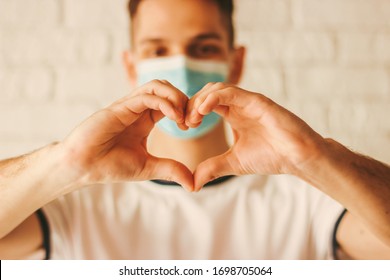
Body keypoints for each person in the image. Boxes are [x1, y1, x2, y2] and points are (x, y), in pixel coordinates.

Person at [0, 0, 389, 260]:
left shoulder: (311, 202)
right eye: (157, 51)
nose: (182, 67)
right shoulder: (73, 204)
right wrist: (65, 161)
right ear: (131, 66)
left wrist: (314, 155)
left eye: (203, 48)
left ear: (235, 64)